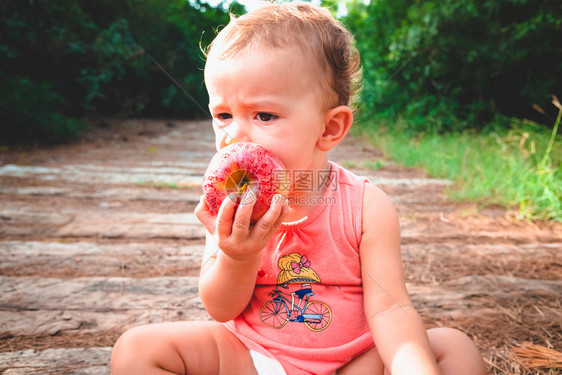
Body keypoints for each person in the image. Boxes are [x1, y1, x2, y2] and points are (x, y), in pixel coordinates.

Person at [111, 3, 486, 374]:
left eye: (264, 116)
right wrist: (237, 256)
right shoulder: (233, 203)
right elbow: (221, 309)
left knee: (452, 347)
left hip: (354, 362)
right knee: (136, 350)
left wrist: (412, 367)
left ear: (329, 129)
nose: (235, 136)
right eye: (224, 115)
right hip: (256, 357)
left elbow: (390, 308)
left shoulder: (365, 205)